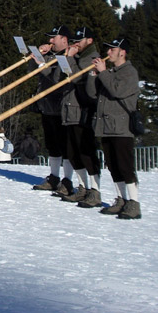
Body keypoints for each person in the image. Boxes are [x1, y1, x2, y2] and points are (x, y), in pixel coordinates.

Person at [89, 37, 142, 219]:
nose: (108, 52)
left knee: (125, 165)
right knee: (112, 165)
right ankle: (121, 199)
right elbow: (94, 94)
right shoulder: (110, 72)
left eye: (113, 49)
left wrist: (103, 74)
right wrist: (94, 76)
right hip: (106, 126)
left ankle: (133, 202)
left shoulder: (129, 72)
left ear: (122, 52)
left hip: (122, 127)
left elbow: (117, 91)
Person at [59, 26, 103, 207]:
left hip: (84, 111)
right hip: (71, 110)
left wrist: (69, 58)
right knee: (72, 151)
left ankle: (95, 189)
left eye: (80, 40)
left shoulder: (92, 59)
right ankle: (82, 187)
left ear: (90, 40)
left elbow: (78, 78)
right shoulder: (78, 58)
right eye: (75, 40)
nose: (76, 43)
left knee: (86, 152)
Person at [31, 25, 73, 193]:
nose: (50, 41)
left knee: (66, 147)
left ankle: (67, 180)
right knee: (52, 146)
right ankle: (54, 177)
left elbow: (58, 79)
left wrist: (43, 65)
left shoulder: (69, 56)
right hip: (47, 106)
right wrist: (38, 57)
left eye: (53, 38)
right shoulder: (50, 55)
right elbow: (33, 72)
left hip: (63, 107)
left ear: (64, 39)